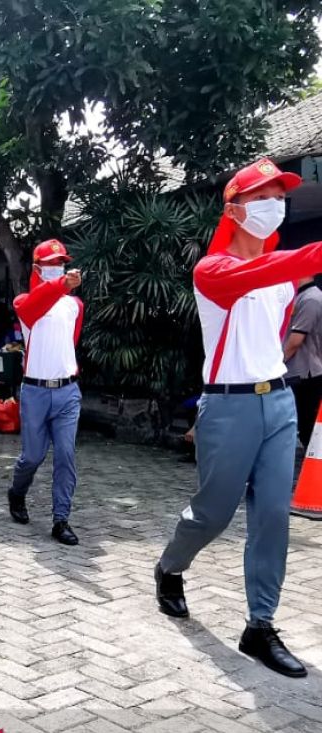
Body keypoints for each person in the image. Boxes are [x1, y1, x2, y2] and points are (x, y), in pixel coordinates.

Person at [155, 157, 322, 678]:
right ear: (234, 208)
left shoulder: (280, 279)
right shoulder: (214, 270)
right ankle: (170, 566)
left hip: (276, 401)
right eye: (263, 197)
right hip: (228, 406)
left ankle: (260, 625)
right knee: (213, 513)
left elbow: (271, 337)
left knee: (273, 516)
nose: (276, 206)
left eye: (281, 197)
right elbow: (266, 270)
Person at [6, 239, 84, 547]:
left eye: (61, 263)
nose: (58, 269)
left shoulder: (74, 305)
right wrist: (61, 284)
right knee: (33, 456)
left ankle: (61, 519)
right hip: (35, 392)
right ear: (38, 269)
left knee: (65, 455)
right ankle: (17, 492)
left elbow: (71, 341)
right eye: (51, 265)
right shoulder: (25, 302)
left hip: (67, 391)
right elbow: (34, 305)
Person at [284, 276, 322, 447]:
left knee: (308, 427)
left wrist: (276, 365)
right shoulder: (300, 297)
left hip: (305, 373)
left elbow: (295, 341)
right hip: (296, 370)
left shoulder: (311, 299)